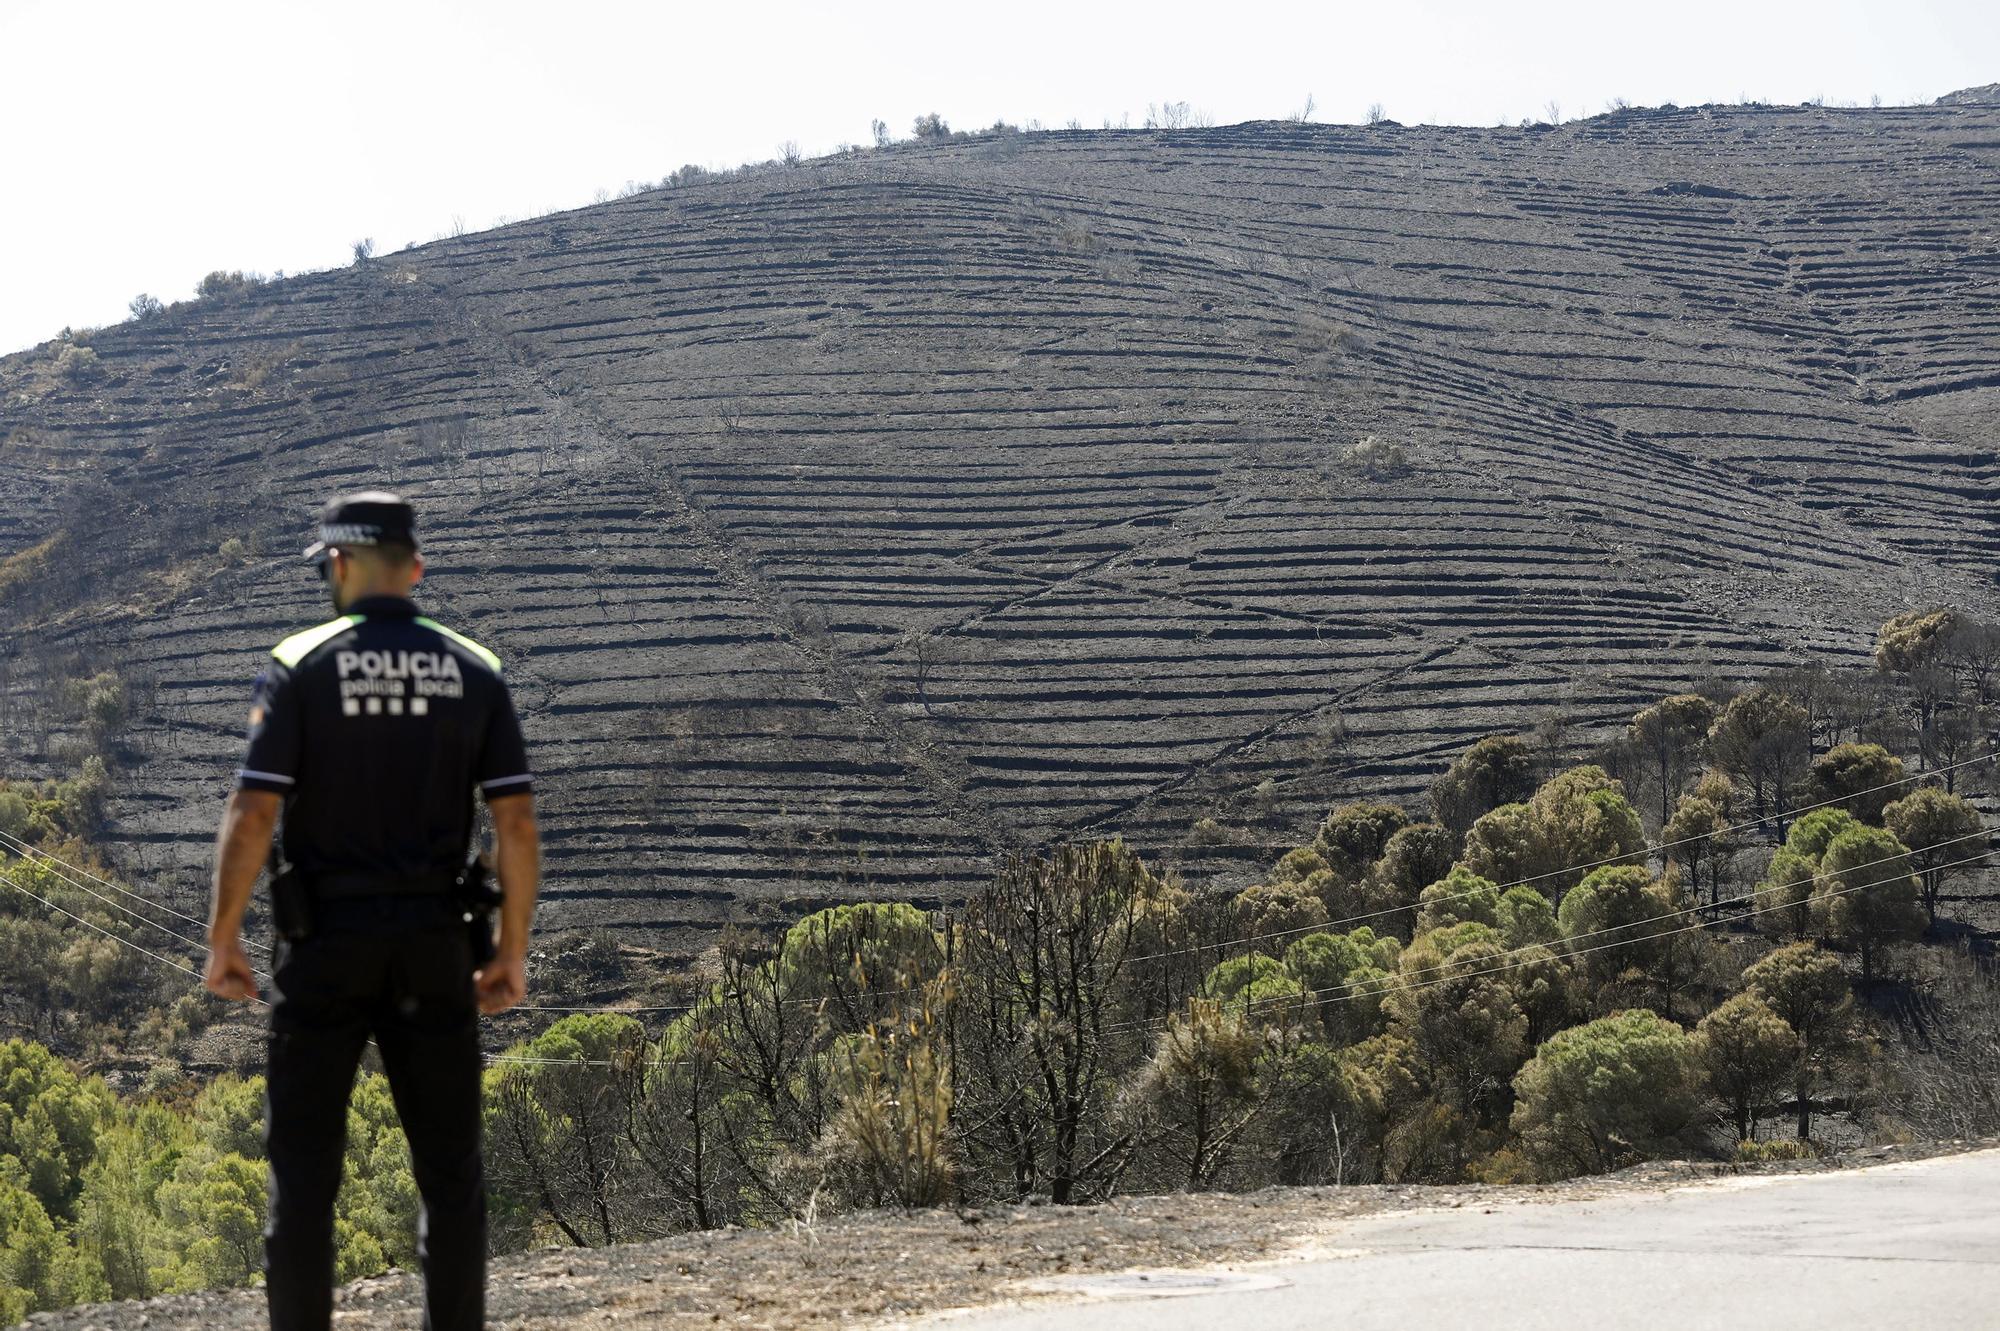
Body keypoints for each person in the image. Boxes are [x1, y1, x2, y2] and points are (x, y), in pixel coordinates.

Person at [203, 491, 540, 1331]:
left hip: (325, 948)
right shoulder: (475, 667)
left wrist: (223, 941)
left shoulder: (300, 662)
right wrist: (511, 950)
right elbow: (516, 822)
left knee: (304, 1178)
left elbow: (252, 813)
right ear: (415, 568)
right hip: (435, 945)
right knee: (451, 1176)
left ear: (341, 566)